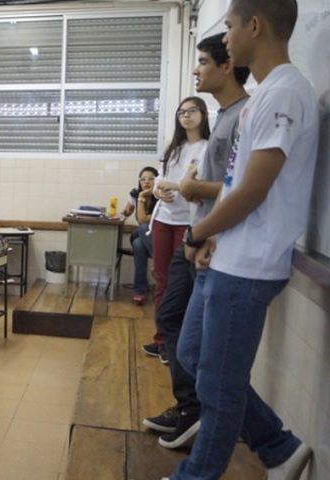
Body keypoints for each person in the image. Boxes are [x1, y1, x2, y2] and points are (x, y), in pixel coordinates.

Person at [165, 1, 318, 478]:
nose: (226, 38)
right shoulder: (265, 94)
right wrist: (214, 236)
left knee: (219, 387)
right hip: (229, 253)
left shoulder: (284, 93)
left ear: (254, 26)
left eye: (230, 27)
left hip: (250, 264)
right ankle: (279, 447)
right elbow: (236, 185)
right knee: (195, 357)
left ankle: (199, 473)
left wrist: (197, 231)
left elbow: (254, 190)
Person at [143, 32, 250, 450]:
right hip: (195, 237)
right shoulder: (225, 118)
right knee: (173, 319)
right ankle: (189, 409)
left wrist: (192, 196)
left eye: (203, 61)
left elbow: (241, 188)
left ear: (227, 65)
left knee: (201, 346)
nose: (195, 69)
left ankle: (207, 419)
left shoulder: (242, 117)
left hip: (209, 243)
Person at [142, 97, 209, 362]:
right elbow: (159, 180)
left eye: (192, 111)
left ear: (203, 115)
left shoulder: (207, 148)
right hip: (163, 220)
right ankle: (161, 339)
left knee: (180, 284)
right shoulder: (173, 148)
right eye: (182, 112)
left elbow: (202, 186)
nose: (186, 116)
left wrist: (176, 186)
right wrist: (158, 190)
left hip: (187, 222)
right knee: (161, 279)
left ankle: (176, 344)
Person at [124, 166, 159, 305]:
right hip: (143, 235)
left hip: (157, 238)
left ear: (158, 181)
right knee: (142, 230)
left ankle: (140, 291)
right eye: (143, 179)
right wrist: (126, 211)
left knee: (138, 244)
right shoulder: (135, 194)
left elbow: (143, 220)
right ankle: (159, 264)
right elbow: (127, 211)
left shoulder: (161, 197)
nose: (146, 182)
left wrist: (141, 198)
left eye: (151, 179)